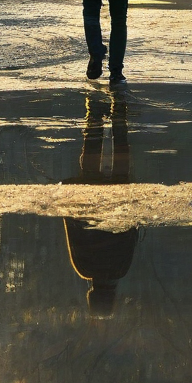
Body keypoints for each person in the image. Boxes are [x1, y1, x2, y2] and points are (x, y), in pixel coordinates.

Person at [64, 91, 138, 317]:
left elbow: (131, 237)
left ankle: (119, 114)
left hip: (120, 206)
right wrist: (67, 205)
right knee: (91, 158)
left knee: (121, 155)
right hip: (88, 205)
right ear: (92, 294)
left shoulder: (121, 270)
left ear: (113, 296)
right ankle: (95, 114)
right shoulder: (83, 269)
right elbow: (73, 231)